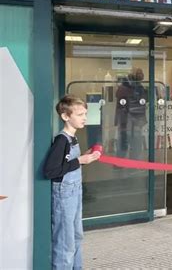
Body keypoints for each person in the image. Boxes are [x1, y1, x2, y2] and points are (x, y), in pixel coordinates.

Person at [43, 94, 101, 269]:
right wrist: (81, 161)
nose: (84, 118)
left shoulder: (73, 138)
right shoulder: (62, 140)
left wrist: (88, 155)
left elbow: (69, 162)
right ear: (65, 116)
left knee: (76, 236)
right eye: (79, 114)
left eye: (85, 114)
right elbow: (51, 171)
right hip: (64, 195)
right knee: (65, 241)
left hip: (74, 192)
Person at [115, 67, 147, 159]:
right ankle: (120, 165)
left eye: (141, 72)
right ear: (133, 74)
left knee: (135, 144)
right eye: (139, 73)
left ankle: (132, 164)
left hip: (135, 120)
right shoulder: (124, 87)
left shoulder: (139, 87)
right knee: (125, 143)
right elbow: (122, 106)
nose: (141, 75)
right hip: (127, 121)